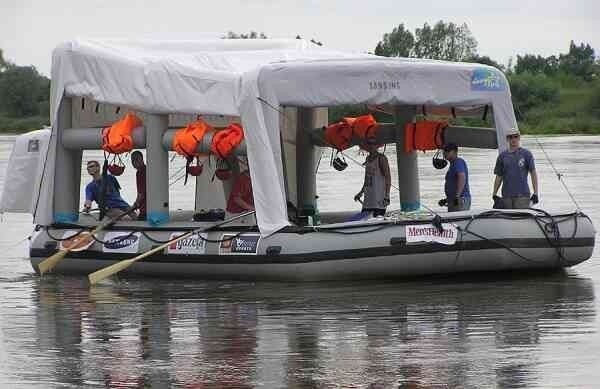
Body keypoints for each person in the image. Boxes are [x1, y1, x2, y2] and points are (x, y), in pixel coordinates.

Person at [492, 128, 539, 209]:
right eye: (510, 137)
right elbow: (499, 176)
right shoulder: (502, 156)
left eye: (515, 136)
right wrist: (494, 193)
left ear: (519, 138)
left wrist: (535, 193)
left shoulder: (526, 154)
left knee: (522, 220)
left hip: (523, 196)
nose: (513, 139)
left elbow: (533, 174)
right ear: (507, 139)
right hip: (506, 197)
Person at [354, 137, 391, 217]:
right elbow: (367, 179)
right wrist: (361, 192)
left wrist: (387, 196)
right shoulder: (367, 159)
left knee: (377, 220)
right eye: (369, 144)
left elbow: (388, 178)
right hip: (368, 198)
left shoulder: (382, 158)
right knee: (364, 219)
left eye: (373, 144)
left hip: (379, 199)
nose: (371, 146)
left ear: (377, 146)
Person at [438, 143, 471, 212]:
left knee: (459, 222)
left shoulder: (458, 162)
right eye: (444, 151)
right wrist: (446, 200)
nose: (444, 153)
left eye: (447, 151)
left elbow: (462, 177)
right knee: (451, 222)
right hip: (453, 200)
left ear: (454, 152)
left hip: (460, 200)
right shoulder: (453, 164)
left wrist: (457, 197)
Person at [131, 151, 147, 220]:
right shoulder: (146, 169)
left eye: (137, 159)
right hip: (145, 207)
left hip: (146, 209)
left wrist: (135, 204)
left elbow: (141, 194)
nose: (134, 162)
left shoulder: (141, 173)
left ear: (142, 159)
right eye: (132, 160)